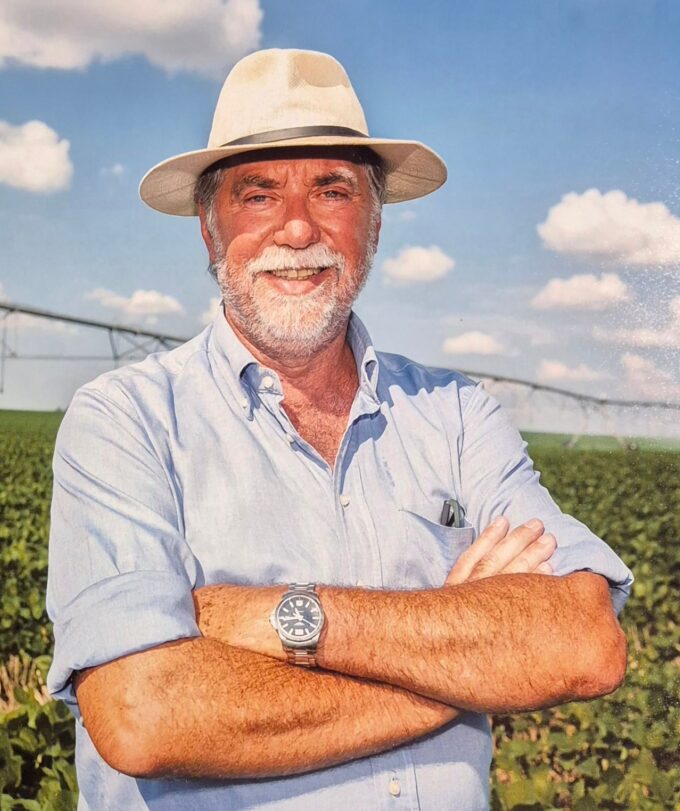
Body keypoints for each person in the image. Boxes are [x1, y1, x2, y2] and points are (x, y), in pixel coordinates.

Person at [46, 49, 633, 810]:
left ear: (376, 222)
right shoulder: (124, 420)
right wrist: (465, 668)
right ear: (209, 228)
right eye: (258, 194)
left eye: (333, 189)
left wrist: (289, 618)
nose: (297, 227)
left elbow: (582, 643)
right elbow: (144, 712)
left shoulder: (457, 413)